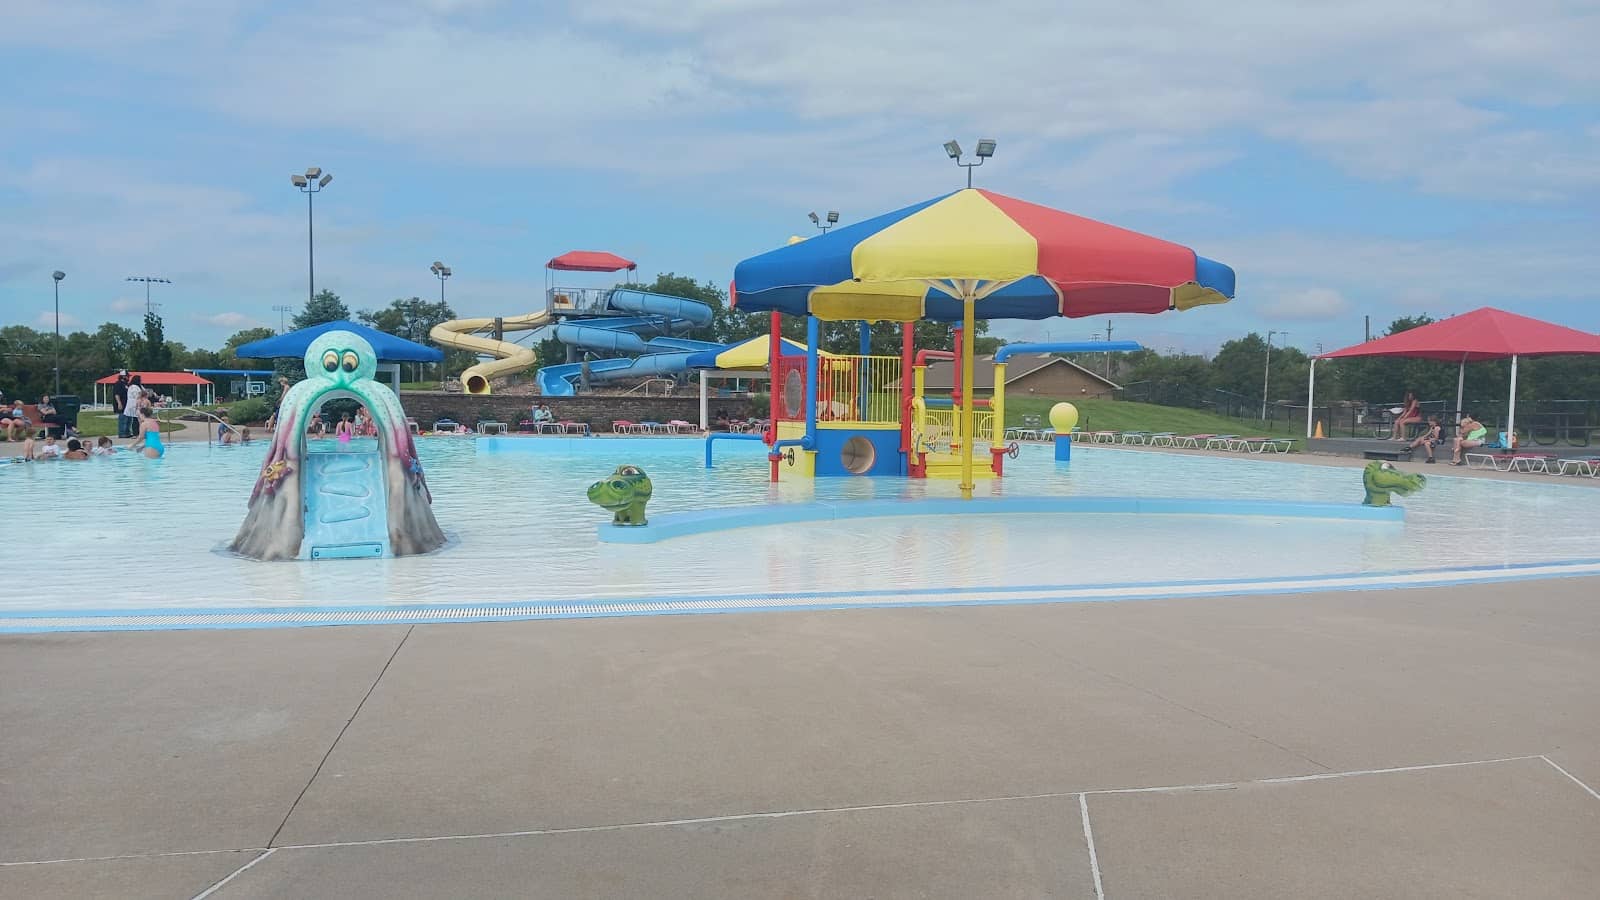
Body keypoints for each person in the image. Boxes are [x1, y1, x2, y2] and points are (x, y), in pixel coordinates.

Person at [122, 375, 146, 442]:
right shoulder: (133, 387)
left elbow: (144, 392)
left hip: (137, 404)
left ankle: (139, 433)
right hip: (134, 404)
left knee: (137, 419)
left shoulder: (138, 386)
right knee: (136, 419)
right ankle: (136, 433)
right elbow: (137, 395)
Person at [113, 371, 131, 438]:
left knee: (129, 419)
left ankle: (127, 432)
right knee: (123, 419)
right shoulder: (118, 383)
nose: (128, 377)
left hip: (127, 404)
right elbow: (116, 394)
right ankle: (122, 433)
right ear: (123, 376)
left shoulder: (126, 384)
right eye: (127, 376)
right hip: (122, 404)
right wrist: (119, 403)